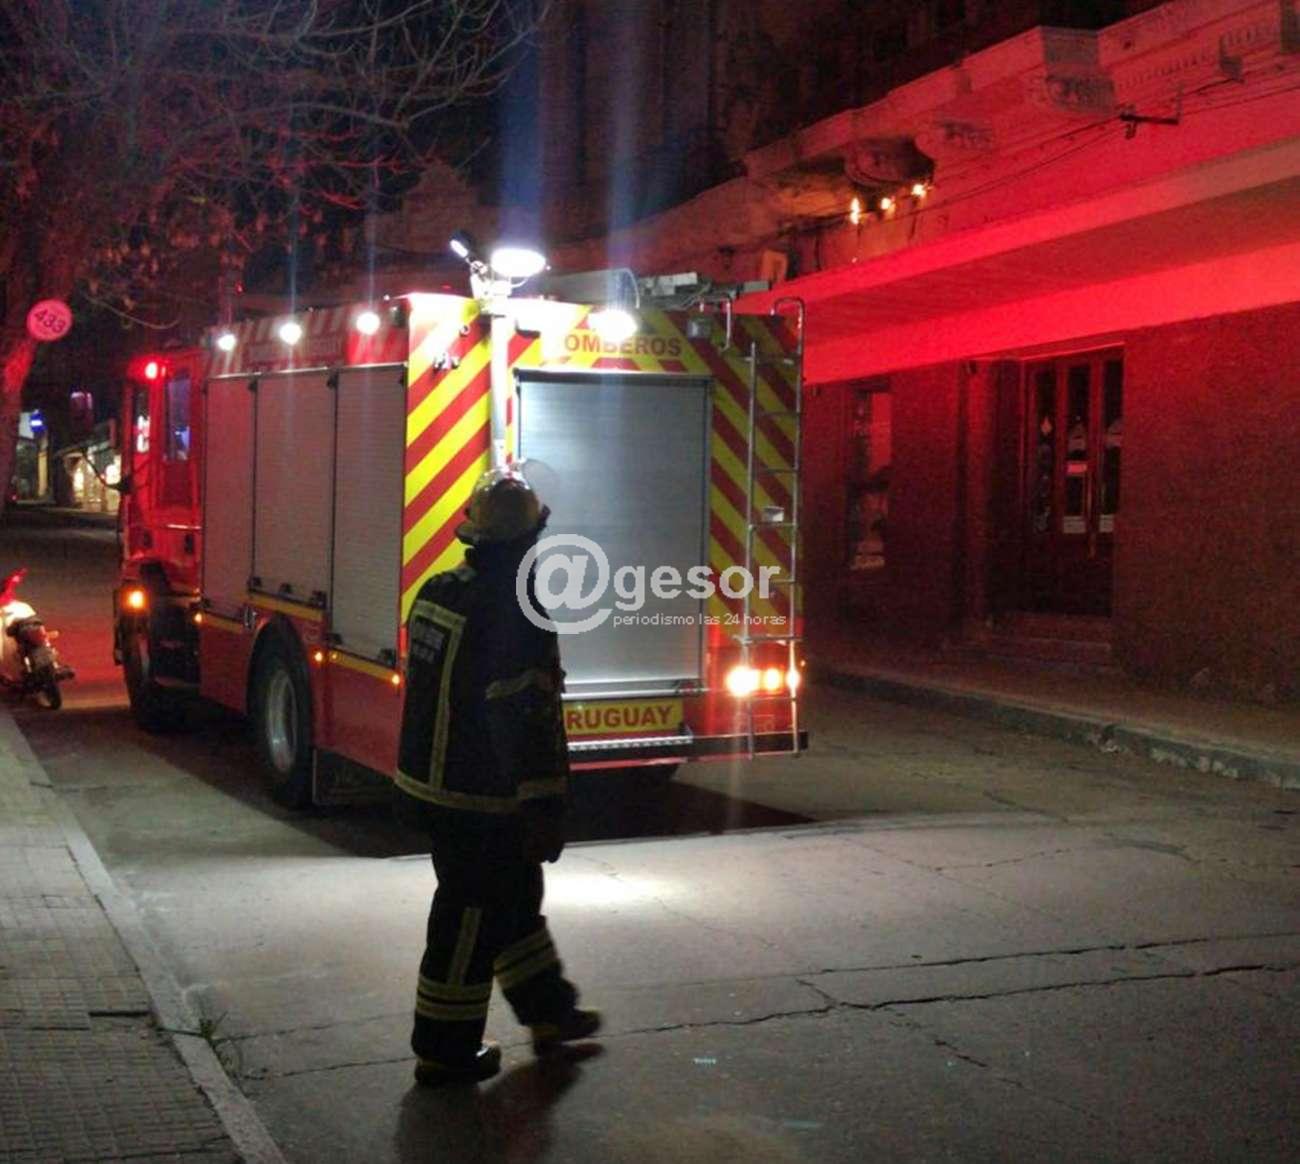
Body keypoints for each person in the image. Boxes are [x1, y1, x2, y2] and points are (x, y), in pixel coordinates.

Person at [395, 466, 600, 1087]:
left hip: (431, 787)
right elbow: (528, 724)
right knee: (468, 921)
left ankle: (550, 1014)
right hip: (480, 800)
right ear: (529, 539)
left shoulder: (436, 592)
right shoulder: (516, 614)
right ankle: (444, 1051)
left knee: (512, 901)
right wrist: (546, 808)